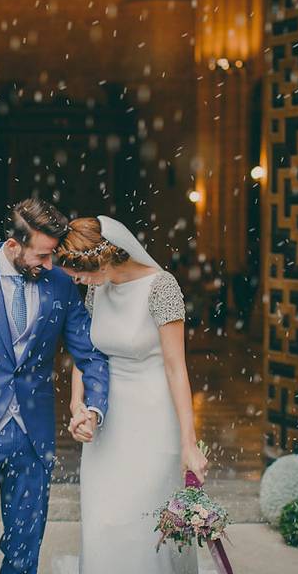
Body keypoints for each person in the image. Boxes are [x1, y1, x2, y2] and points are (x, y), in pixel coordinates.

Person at [0, 199, 110, 574]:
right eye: (42, 256)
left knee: (24, 549)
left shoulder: (59, 285)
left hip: (33, 435)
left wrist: (93, 407)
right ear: (13, 246)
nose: (50, 265)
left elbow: (91, 355)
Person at [54, 215, 207, 574]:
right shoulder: (97, 289)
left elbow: (176, 368)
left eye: (81, 273)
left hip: (153, 417)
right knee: (103, 518)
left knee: (143, 520)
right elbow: (87, 353)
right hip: (108, 417)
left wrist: (189, 440)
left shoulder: (161, 287)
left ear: (105, 259)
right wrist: (80, 405)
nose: (77, 281)